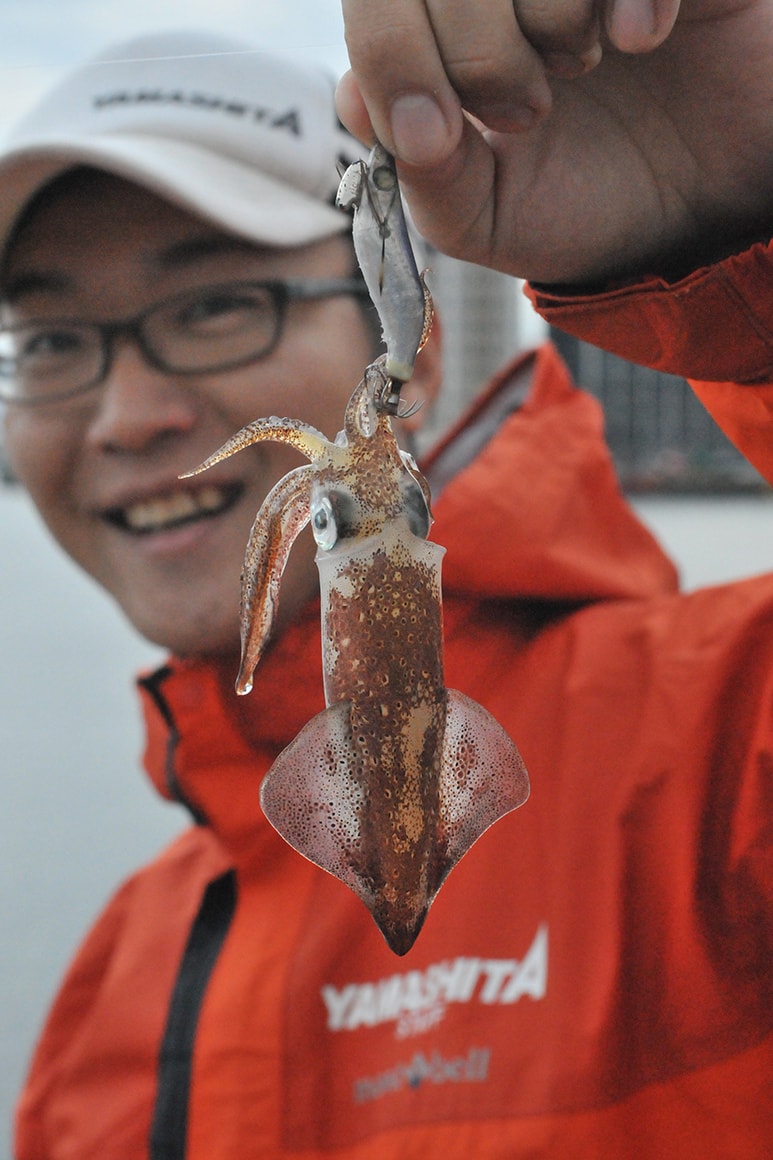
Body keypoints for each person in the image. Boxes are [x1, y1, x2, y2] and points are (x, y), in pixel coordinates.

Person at [1, 21, 769, 1160]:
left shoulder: (717, 752)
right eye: (52, 336)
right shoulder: (113, 992)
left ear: (413, 346)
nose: (126, 419)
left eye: (216, 305)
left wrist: (743, 237)